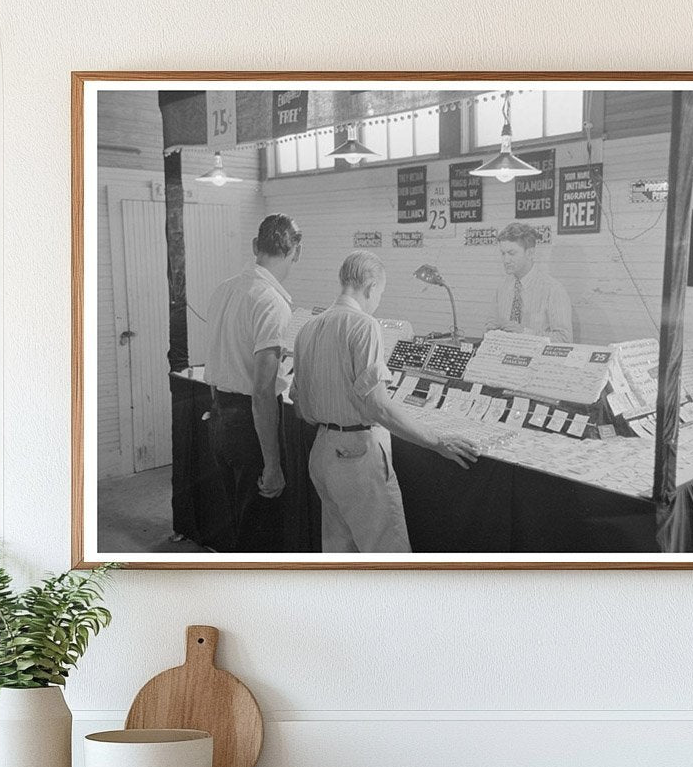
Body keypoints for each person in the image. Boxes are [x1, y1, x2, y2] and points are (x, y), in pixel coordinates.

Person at [293, 250, 478, 553]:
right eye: (380, 293)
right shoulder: (364, 325)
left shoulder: (307, 329)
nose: (378, 300)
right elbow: (377, 406)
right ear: (370, 286)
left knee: (341, 554)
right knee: (389, 556)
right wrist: (436, 441)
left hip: (322, 453)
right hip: (357, 458)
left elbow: (299, 406)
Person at [203, 213, 302, 551]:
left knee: (236, 520)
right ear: (296, 252)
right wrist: (272, 465)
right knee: (260, 529)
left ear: (255, 245)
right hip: (249, 427)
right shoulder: (271, 302)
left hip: (219, 416)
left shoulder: (223, 290)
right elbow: (262, 392)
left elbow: (217, 357)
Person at [485, 221, 573, 343]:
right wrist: (493, 332)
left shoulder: (553, 290)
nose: (506, 260)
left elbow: (565, 339)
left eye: (511, 253)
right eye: (503, 253)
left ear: (530, 253)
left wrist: (524, 334)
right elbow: (490, 326)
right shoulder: (502, 288)